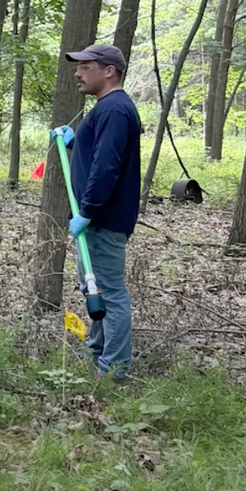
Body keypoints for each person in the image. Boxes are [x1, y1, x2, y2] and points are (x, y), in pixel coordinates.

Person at [54, 43, 143, 383]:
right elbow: (98, 154)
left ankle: (114, 369)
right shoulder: (106, 109)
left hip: (102, 220)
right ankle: (99, 356)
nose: (78, 72)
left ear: (109, 71)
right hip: (95, 220)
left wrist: (88, 211)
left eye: (86, 66)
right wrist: (76, 141)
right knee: (96, 292)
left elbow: (107, 167)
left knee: (109, 292)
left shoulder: (115, 110)